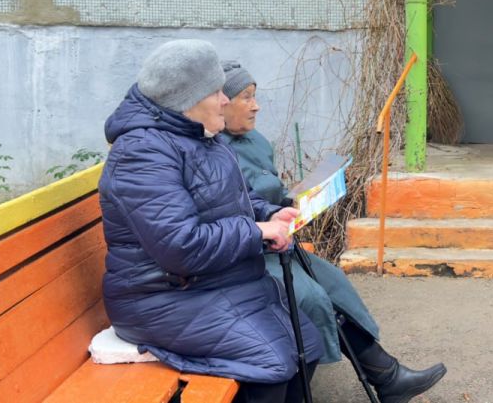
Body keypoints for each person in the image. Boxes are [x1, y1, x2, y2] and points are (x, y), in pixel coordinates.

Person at [98, 40, 324, 403]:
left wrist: (268, 214)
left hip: (216, 281)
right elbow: (180, 246)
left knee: (307, 344)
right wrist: (254, 232)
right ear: (187, 99)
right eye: (216, 91)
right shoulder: (141, 154)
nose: (225, 99)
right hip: (161, 296)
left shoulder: (201, 137)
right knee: (273, 361)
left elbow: (234, 198)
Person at [218, 61, 447, 403]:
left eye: (255, 96)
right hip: (248, 251)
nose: (256, 105)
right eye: (246, 98)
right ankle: (316, 387)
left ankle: (387, 376)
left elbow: (268, 195)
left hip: (278, 242)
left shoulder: (255, 141)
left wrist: (302, 201)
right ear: (221, 103)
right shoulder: (215, 150)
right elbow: (227, 209)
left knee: (332, 283)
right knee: (310, 298)